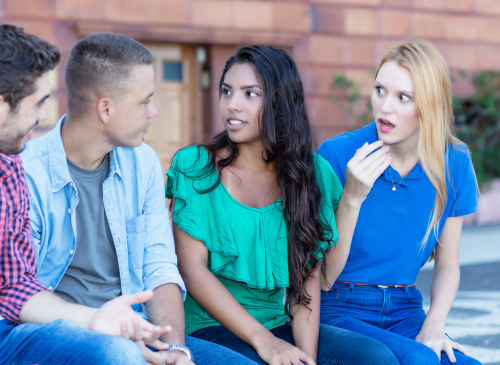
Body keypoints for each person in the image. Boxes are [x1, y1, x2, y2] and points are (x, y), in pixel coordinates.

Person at [20, 32, 251, 365]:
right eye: (145, 101)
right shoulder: (26, 174)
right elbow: (22, 293)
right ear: (106, 108)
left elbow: (158, 266)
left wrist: (175, 350)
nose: (154, 111)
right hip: (62, 334)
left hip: (138, 328)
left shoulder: (142, 163)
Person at [167, 45, 399, 365]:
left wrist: (307, 358)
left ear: (280, 103)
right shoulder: (195, 166)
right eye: (226, 91)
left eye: (250, 94)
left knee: (375, 357)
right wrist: (266, 343)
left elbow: (308, 278)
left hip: (280, 324)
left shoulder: (312, 174)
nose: (232, 105)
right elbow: (192, 270)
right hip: (208, 326)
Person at [0, 23, 166, 365]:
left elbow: (13, 287)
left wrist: (97, 321)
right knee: (117, 354)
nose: (44, 116)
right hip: (28, 333)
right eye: (38, 103)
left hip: (80, 324)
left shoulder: (10, 170)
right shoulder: (30, 166)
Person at [318, 40, 481, 365]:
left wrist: (434, 325)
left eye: (402, 97)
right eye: (380, 90)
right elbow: (322, 278)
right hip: (338, 308)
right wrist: (351, 197)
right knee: (413, 360)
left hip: (405, 307)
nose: (384, 108)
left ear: (429, 106)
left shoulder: (454, 163)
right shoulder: (336, 156)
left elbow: (448, 263)